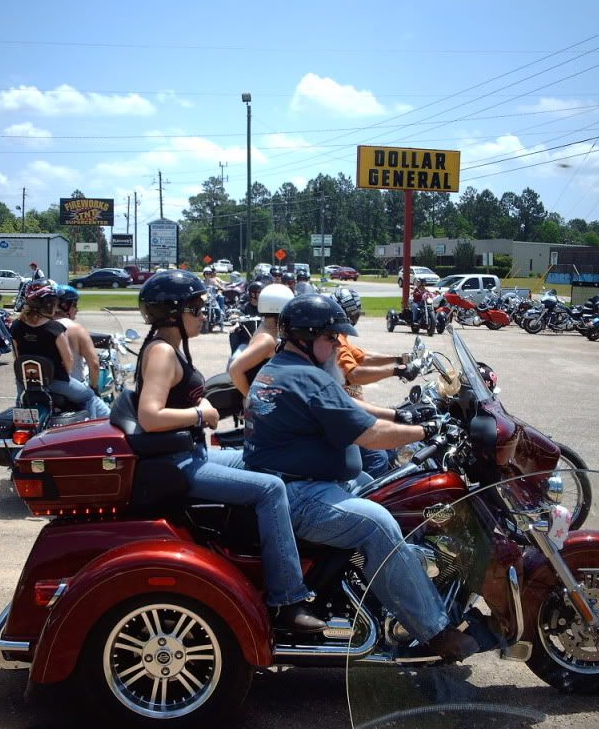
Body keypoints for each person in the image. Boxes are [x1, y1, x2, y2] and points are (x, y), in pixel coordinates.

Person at [243, 294, 482, 662]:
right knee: (378, 523)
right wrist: (427, 431)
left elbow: (346, 406)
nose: (339, 344)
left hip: (303, 485)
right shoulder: (306, 377)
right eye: (331, 337)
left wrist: (403, 416)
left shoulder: (282, 369)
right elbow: (369, 436)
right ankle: (435, 630)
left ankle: (399, 584)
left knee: (398, 490)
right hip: (303, 495)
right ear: (307, 337)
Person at [134, 270, 323, 632]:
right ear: (174, 312)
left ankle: (262, 551)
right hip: (179, 463)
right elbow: (150, 415)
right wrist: (200, 412)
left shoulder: (169, 346)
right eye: (196, 307)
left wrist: (200, 402)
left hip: (189, 454)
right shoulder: (161, 351)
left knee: (265, 459)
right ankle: (287, 599)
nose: (204, 314)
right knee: (270, 489)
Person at [331, 287, 419, 478]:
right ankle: (369, 503)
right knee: (378, 458)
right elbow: (354, 374)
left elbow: (363, 357)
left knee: (390, 448)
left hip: (355, 410)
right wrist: (395, 370)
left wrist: (401, 359)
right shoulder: (335, 340)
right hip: (347, 415)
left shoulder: (339, 337)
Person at [10, 284, 110, 419]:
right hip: (55, 382)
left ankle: (21, 415)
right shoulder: (54, 328)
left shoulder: (16, 325)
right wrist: (65, 374)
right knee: (89, 396)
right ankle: (89, 430)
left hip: (25, 383)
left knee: (21, 400)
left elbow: (17, 356)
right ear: (49, 304)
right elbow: (68, 360)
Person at [228, 284, 293, 396]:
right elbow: (235, 370)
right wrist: (250, 398)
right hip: (261, 403)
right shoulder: (266, 339)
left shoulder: (268, 328)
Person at [53, 285, 101, 394]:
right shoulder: (77, 329)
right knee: (104, 411)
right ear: (65, 306)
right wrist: (93, 387)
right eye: (74, 305)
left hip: (47, 388)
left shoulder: (43, 326)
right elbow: (94, 364)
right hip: (72, 389)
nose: (77, 309)